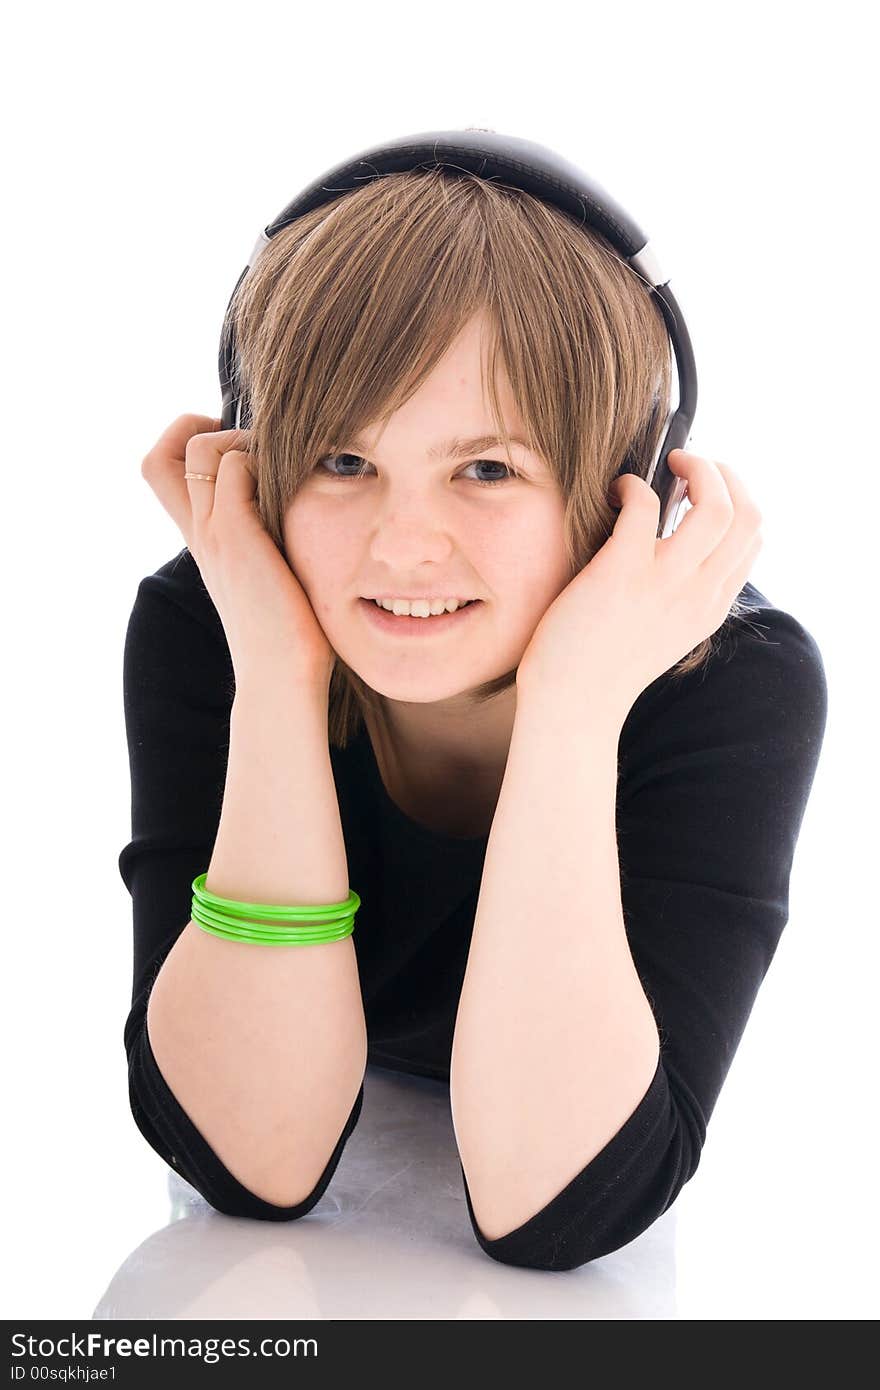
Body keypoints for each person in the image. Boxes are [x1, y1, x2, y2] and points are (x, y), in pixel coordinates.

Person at [119, 168, 827, 1270]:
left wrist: (574, 706)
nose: (402, 547)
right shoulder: (212, 621)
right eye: (341, 460)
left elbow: (557, 1209)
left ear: (622, 485)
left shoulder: (732, 681)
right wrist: (275, 672)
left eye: (487, 468)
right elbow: (249, 1158)